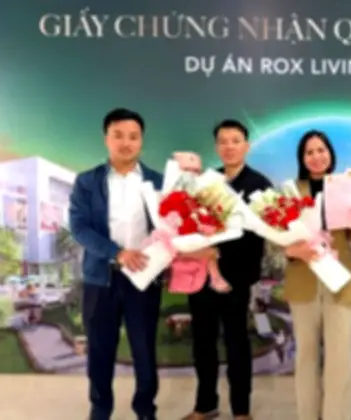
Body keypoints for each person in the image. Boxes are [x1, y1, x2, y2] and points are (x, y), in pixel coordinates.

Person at [68, 108, 163, 420]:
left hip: (144, 278)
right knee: (99, 350)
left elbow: (171, 228)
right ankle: (100, 408)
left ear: (141, 141)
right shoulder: (87, 182)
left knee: (144, 350)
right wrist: (116, 252)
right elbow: (80, 228)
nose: (126, 142)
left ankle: (145, 409)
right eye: (118, 135)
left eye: (133, 136)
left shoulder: (158, 182)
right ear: (106, 138)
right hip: (101, 279)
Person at [282, 130, 351, 420]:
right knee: (306, 357)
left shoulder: (343, 188)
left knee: (340, 358)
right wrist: (292, 251)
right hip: (302, 282)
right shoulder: (290, 191)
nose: (316, 157)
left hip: (340, 281)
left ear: (330, 154)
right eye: (309, 152)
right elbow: (275, 237)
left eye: (321, 150)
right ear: (302, 158)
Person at [183, 120, 272, 420]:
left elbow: (261, 233)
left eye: (235, 141)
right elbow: (189, 223)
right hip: (202, 275)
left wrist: (221, 253)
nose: (229, 147)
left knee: (237, 344)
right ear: (216, 147)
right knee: (203, 343)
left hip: (237, 278)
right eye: (223, 141)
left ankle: (241, 410)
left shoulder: (259, 184)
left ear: (246, 146)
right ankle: (205, 404)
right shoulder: (206, 182)